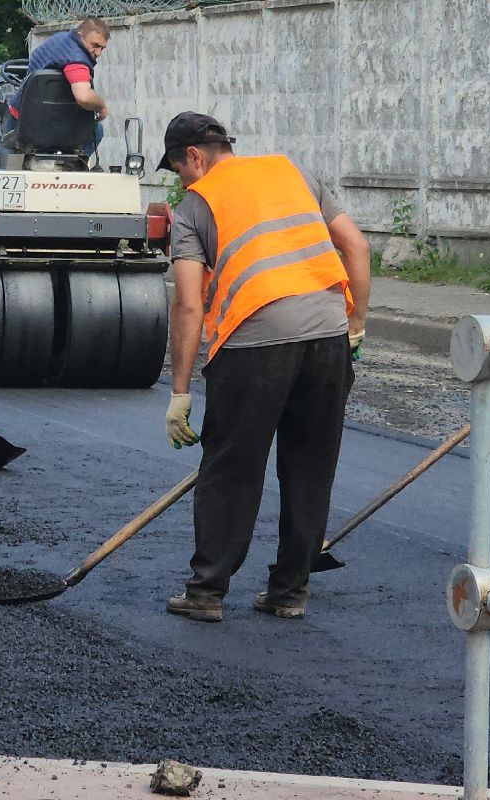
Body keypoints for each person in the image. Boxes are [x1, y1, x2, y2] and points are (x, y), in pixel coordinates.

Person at [159, 112, 370, 623]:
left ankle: (207, 592)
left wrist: (180, 390)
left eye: (178, 171)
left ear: (194, 156)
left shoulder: (194, 205)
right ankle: (289, 592)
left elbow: (189, 305)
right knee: (310, 466)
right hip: (327, 337)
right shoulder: (293, 171)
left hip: (253, 344)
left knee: (231, 467)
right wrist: (355, 326)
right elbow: (358, 248)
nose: (180, 183)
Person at [9, 18, 110, 148]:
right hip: (38, 125)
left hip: (18, 115)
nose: (99, 53)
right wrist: (101, 107)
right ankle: (75, 167)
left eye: (102, 48)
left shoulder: (60, 38)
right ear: (80, 36)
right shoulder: (76, 60)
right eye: (95, 45)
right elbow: (83, 97)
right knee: (97, 131)